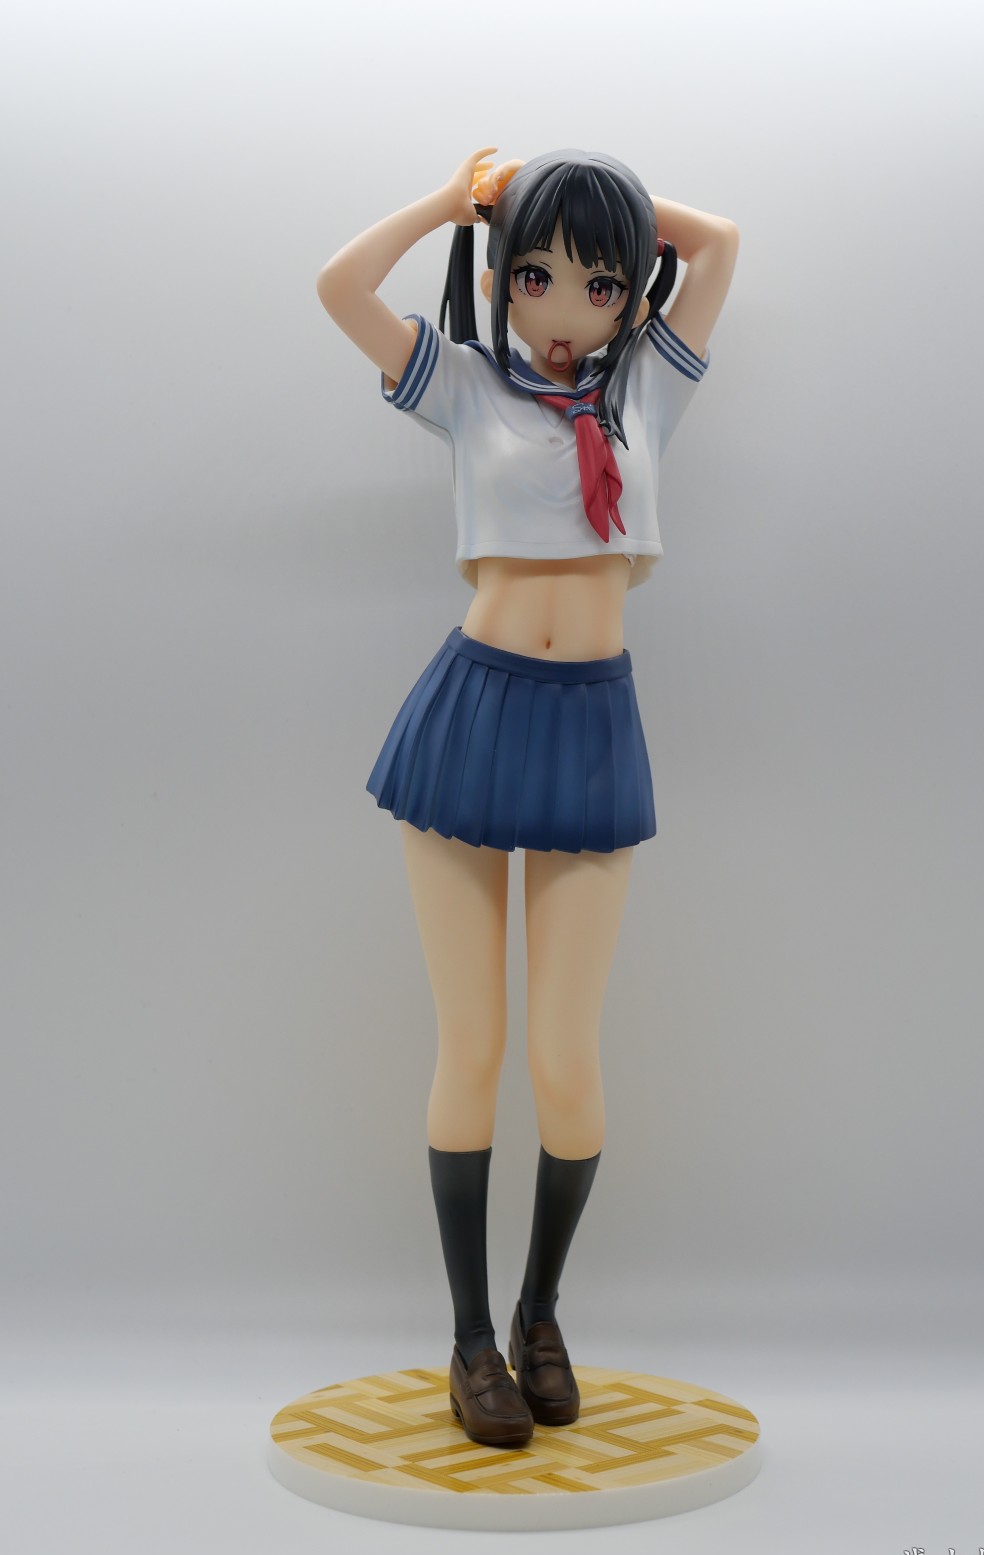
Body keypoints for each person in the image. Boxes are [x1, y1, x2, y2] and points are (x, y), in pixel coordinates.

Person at [316, 147, 738, 1449]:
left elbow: (720, 243)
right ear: (501, 276)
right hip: (473, 714)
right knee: (475, 1045)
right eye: (538, 274)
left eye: (601, 283)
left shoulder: (648, 388)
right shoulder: (463, 382)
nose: (565, 308)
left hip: (592, 728)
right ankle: (466, 1341)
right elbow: (338, 288)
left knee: (564, 1055)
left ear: (630, 292)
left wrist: (586, 188)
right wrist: (460, 204)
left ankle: (539, 1313)